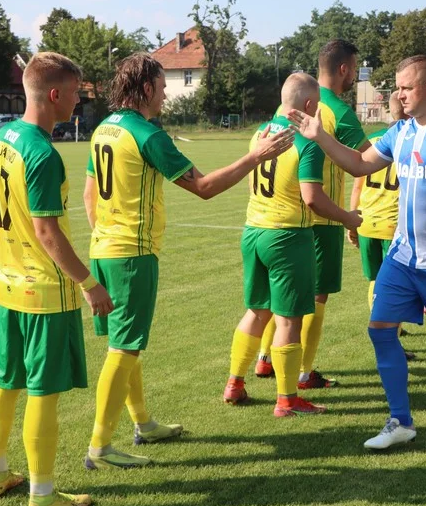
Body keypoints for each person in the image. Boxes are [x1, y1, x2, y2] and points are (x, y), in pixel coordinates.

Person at [82, 53, 295, 467]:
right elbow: (204, 187)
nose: (164, 95)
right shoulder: (148, 135)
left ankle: (143, 423)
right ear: (146, 88)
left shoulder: (103, 129)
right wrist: (256, 157)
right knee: (124, 348)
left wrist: (105, 236)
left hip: (102, 249)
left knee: (124, 343)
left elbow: (91, 196)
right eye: (162, 87)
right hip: (131, 255)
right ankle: (100, 447)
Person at [291, 54, 426, 450]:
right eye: (397, 86)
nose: (399, 93)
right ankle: (400, 421)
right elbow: (360, 164)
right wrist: (320, 137)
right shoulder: (400, 132)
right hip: (403, 257)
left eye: (406, 86)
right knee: (379, 329)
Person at [0, 51, 113, 506]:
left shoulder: (0, 139)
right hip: (44, 295)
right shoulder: (42, 153)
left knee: (5, 381)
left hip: (6, 285)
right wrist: (90, 284)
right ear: (54, 95)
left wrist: (7, 257)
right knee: (41, 391)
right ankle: (42, 496)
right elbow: (48, 232)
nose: (78, 101)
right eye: (76, 92)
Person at [225, 73, 362, 416]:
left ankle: (235, 383)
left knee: (257, 312)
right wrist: (347, 217)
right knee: (289, 320)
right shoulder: (307, 140)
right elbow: (313, 199)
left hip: (253, 230)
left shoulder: (260, 132)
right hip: (287, 236)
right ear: (310, 105)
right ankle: (287, 399)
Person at [254, 40, 368, 388]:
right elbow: (367, 160)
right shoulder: (337, 112)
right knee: (315, 297)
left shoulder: (287, 104)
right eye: (355, 69)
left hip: (278, 215)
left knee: (280, 296)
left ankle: (264, 358)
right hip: (322, 213)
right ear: (345, 69)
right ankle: (303, 370)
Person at [349, 91, 417, 359]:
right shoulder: (411, 141)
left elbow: (357, 184)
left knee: (376, 280)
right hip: (393, 225)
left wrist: (352, 221)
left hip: (367, 221)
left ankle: (384, 330)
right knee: (396, 285)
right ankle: (391, 339)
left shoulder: (374, 142)